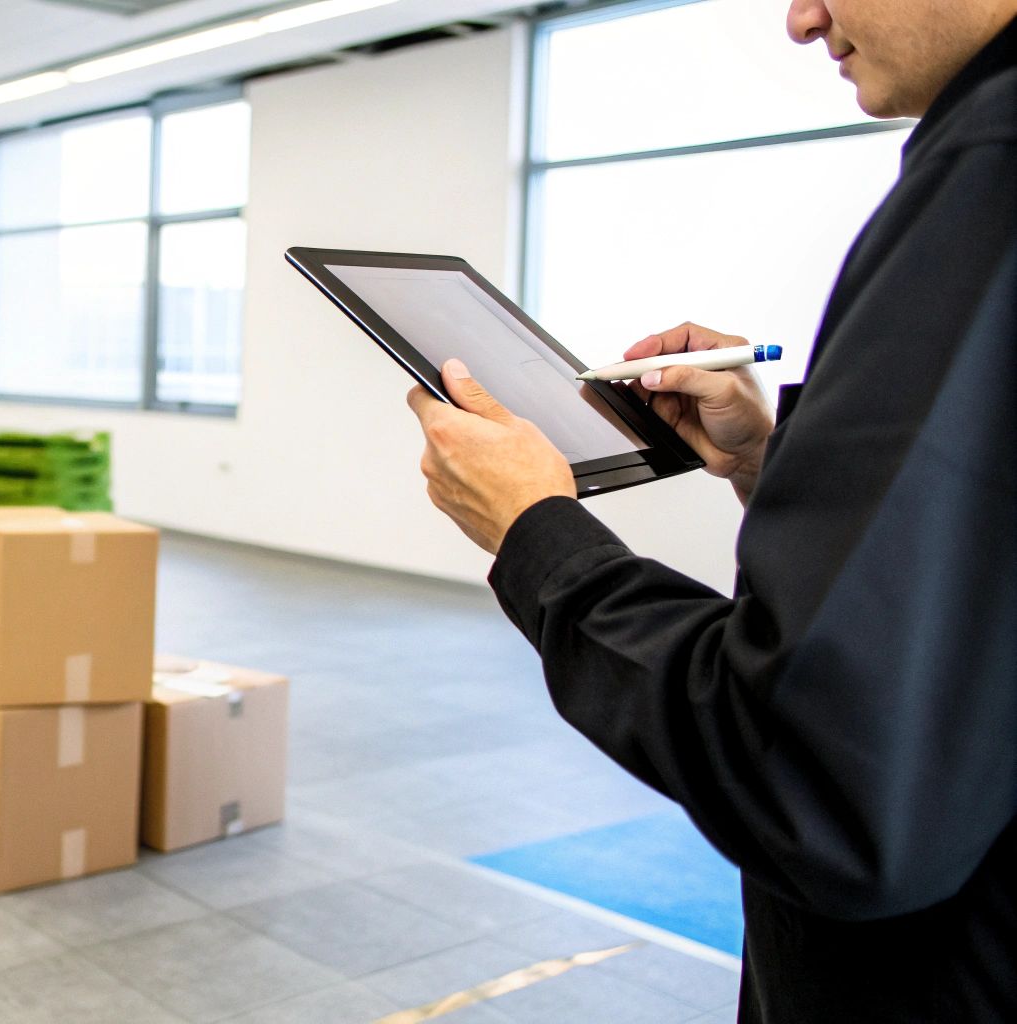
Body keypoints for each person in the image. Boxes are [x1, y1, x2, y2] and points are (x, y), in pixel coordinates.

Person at [404, 0, 1017, 1019]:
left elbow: (813, 779)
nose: (800, 17)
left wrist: (534, 533)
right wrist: (775, 461)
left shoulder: (988, 161)